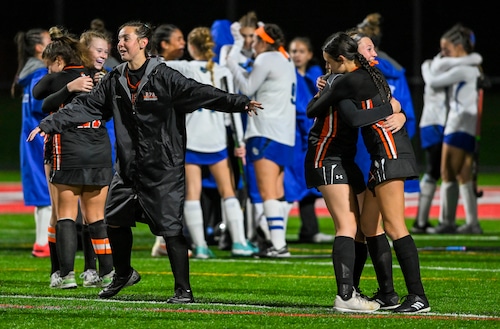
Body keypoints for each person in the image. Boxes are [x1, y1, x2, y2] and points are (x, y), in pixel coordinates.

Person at [27, 21, 262, 303]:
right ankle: (123, 273)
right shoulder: (115, 78)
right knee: (113, 220)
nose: (120, 44)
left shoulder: (164, 76)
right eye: (119, 39)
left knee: (171, 229)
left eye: (125, 38)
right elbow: (86, 106)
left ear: (143, 43)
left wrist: (239, 102)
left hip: (163, 168)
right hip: (128, 169)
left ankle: (183, 290)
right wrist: (50, 123)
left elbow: (201, 92)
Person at [312, 32, 430, 313]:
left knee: (394, 226)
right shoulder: (366, 77)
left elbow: (320, 110)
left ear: (345, 58)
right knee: (368, 227)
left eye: (331, 63)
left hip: (389, 153)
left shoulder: (355, 77)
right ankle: (387, 294)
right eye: (367, 48)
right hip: (381, 154)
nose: (372, 53)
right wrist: (329, 82)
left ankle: (417, 296)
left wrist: (329, 85)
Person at [32, 26, 114, 289]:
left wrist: (66, 85)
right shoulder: (105, 78)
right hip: (100, 148)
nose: (102, 55)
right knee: (95, 217)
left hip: (66, 148)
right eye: (98, 50)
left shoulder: (63, 77)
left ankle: (64, 273)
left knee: (64, 215)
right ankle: (104, 273)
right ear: (83, 50)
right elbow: (110, 113)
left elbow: (41, 100)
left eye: (105, 51)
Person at [165, 26, 258, 258]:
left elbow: (156, 65)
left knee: (192, 194)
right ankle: (239, 242)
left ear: (192, 47)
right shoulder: (222, 70)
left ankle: (200, 247)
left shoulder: (185, 66)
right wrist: (239, 141)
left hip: (192, 139)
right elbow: (233, 108)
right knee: (228, 192)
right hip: (217, 139)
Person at [224, 22, 296, 258]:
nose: (251, 44)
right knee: (275, 191)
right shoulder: (285, 58)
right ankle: (278, 244)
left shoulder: (267, 58)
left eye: (255, 39)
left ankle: (278, 246)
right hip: (284, 133)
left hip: (266, 131)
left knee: (266, 192)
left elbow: (246, 87)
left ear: (265, 41)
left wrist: (231, 61)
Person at [423, 24, 483, 235]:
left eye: (446, 49)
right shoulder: (472, 67)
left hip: (456, 125)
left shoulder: (462, 69)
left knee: (447, 173)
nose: (443, 54)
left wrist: (426, 66)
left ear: (459, 47)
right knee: (464, 175)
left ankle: (447, 222)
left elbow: (432, 80)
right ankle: (473, 223)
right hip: (467, 127)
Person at [354, 13, 419, 194]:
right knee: (374, 219)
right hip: (389, 146)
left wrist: (400, 114)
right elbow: (407, 113)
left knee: (373, 217)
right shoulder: (393, 71)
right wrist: (401, 115)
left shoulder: (360, 76)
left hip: (365, 148)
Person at [285, 36, 333, 244]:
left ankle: (310, 230)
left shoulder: (316, 75)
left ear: (310, 54)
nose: (296, 55)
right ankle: (270, 233)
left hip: (311, 135)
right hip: (292, 135)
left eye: (301, 51)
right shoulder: (286, 74)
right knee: (287, 185)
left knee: (309, 185)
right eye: (293, 51)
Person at [12, 27, 52, 258]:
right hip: (40, 138)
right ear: (39, 48)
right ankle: (43, 242)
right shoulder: (39, 74)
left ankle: (41, 242)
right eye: (49, 41)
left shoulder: (29, 73)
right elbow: (43, 106)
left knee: (42, 192)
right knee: (49, 191)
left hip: (30, 138)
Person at [149, 23, 187, 258]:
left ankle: (162, 242)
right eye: (179, 39)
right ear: (164, 44)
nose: (183, 44)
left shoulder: (165, 67)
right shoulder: (163, 68)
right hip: (158, 139)